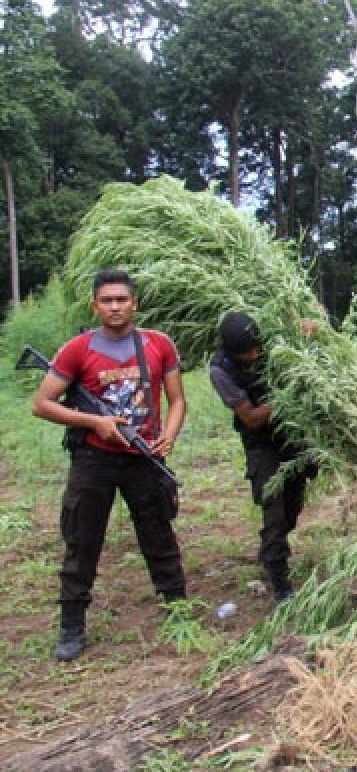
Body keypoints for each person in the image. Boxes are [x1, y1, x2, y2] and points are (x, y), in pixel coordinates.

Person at [32, 268, 188, 662]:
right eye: (107, 301)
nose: (115, 307)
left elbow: (177, 399)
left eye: (122, 299)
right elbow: (42, 403)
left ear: (134, 303)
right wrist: (95, 422)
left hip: (143, 457)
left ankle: (179, 610)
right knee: (82, 539)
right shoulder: (77, 350)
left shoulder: (157, 345)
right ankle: (71, 626)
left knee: (158, 534)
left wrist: (168, 435)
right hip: (94, 459)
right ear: (95, 306)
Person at [209, 312, 313, 607]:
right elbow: (252, 418)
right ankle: (280, 584)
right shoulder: (221, 371)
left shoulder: (272, 345)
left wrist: (307, 332)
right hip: (261, 443)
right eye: (247, 353)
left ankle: (272, 548)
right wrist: (288, 394)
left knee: (292, 507)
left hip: (292, 437)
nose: (254, 356)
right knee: (274, 510)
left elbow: (305, 330)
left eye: (257, 349)